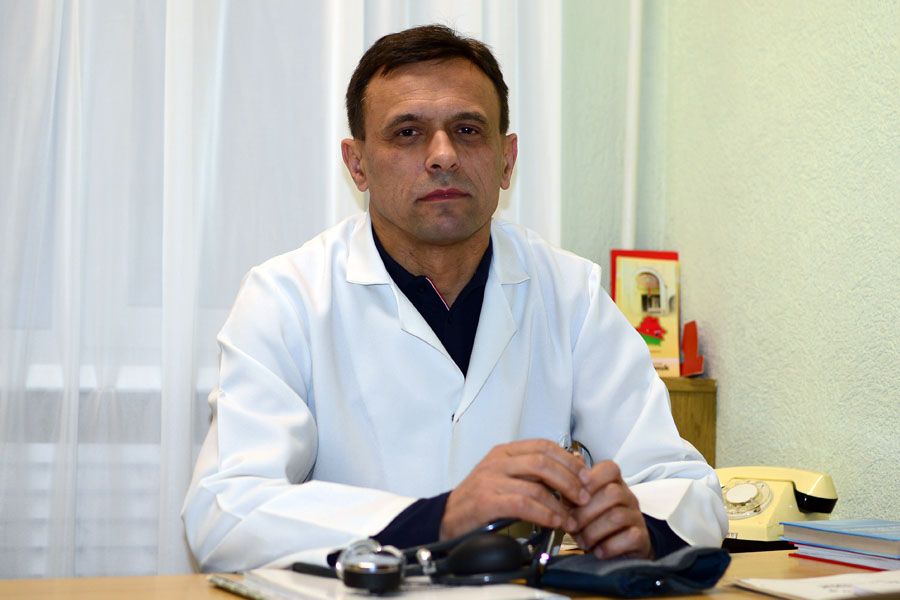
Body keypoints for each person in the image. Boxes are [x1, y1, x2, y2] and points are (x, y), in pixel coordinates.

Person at [182, 24, 727, 573]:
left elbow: (683, 485)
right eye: (407, 133)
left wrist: (640, 528)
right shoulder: (287, 298)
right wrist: (439, 520)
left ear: (507, 159)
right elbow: (225, 512)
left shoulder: (571, 295)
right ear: (357, 164)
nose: (443, 155)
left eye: (467, 130)